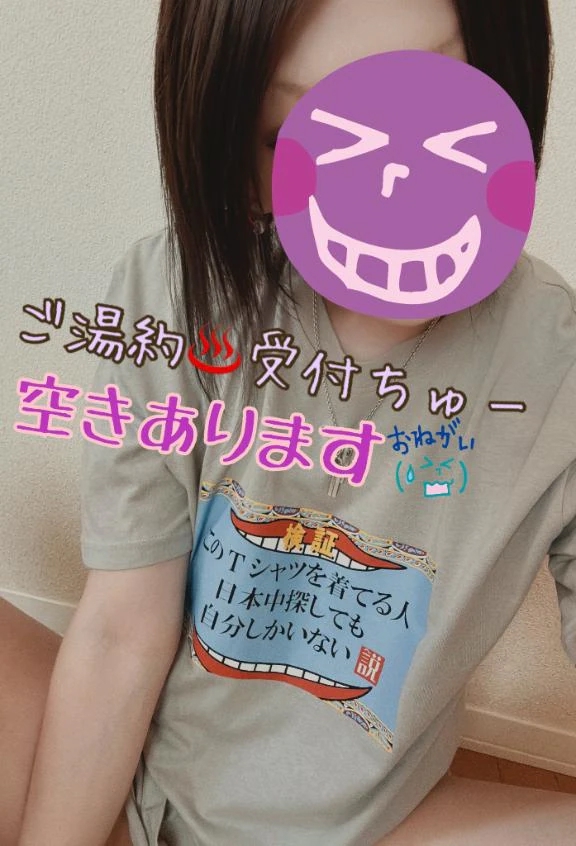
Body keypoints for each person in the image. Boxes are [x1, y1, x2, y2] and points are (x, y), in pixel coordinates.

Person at [4, 0, 576, 844]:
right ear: (235, 149)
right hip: (145, 785)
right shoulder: (174, 291)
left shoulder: (555, 363)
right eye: (293, 133)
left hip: (376, 829)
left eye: (435, 101)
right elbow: (124, 626)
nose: (390, 182)